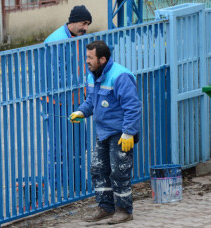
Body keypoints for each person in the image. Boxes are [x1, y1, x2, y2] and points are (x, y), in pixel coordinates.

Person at [69, 40, 141, 224]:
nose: (86, 61)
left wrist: (128, 132)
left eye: (90, 58)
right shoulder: (93, 75)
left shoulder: (120, 76)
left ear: (102, 59)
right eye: (86, 57)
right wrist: (81, 112)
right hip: (102, 132)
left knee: (119, 171)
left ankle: (124, 210)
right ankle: (105, 207)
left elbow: (133, 107)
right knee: (98, 169)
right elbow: (91, 101)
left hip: (120, 133)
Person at [42, 5, 92, 190]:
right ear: (73, 21)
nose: (86, 28)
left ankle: (76, 182)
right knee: (59, 147)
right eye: (83, 23)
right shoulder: (57, 41)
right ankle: (58, 185)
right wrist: (83, 82)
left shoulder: (77, 37)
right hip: (57, 103)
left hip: (74, 100)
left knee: (79, 143)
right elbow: (58, 75)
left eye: (88, 24)